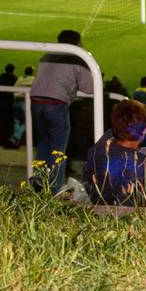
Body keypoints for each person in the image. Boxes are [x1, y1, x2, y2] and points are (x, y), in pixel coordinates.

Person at [29, 29, 94, 194]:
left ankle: (39, 179)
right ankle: (55, 188)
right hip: (56, 103)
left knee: (44, 142)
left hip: (36, 101)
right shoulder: (77, 57)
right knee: (58, 148)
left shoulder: (48, 55)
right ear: (77, 42)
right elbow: (90, 87)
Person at [0, 63, 18, 147]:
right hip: (9, 102)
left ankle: (0, 139)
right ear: (13, 70)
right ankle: (7, 140)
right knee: (8, 121)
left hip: (1, 101)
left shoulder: (1, 77)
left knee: (2, 120)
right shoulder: (14, 78)